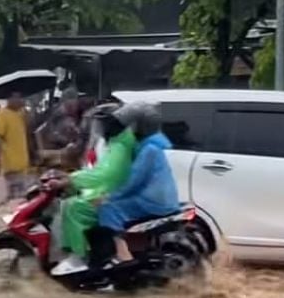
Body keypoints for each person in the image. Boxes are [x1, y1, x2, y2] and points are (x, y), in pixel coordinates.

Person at [49, 104, 138, 276]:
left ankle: (78, 258)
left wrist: (70, 179)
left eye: (102, 125)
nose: (100, 129)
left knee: (73, 207)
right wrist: (71, 178)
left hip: (115, 196)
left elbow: (103, 174)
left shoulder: (120, 147)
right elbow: (95, 170)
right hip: (110, 191)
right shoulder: (116, 142)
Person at [97, 102, 181, 263]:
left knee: (107, 208)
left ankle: (123, 255)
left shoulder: (149, 150)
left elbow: (133, 181)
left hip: (152, 202)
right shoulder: (150, 146)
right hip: (156, 199)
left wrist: (109, 196)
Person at [0, 90, 31, 205]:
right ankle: (1, 211)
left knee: (16, 196)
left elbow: (27, 130)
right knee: (17, 198)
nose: (20, 100)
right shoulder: (3, 114)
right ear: (9, 99)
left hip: (22, 162)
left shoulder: (20, 114)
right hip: (11, 164)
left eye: (21, 98)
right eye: (17, 98)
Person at [35, 87, 85, 171]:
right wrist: (43, 152)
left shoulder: (77, 116)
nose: (75, 107)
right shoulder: (56, 116)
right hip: (57, 158)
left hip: (67, 158)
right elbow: (38, 132)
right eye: (72, 104)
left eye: (76, 104)